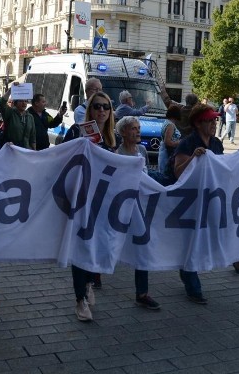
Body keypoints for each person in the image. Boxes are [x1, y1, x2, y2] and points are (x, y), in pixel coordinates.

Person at [173, 103, 239, 301]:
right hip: (187, 200)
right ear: (198, 123)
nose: (215, 123)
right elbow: (178, 172)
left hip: (208, 198)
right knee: (191, 239)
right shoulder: (187, 143)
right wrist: (193, 158)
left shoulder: (216, 144)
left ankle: (191, 269)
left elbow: (221, 168)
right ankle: (192, 282)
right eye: (210, 120)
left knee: (206, 236)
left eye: (215, 119)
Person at [62, 91, 117, 321]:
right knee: (80, 248)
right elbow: (61, 157)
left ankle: (88, 284)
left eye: (106, 107)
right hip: (79, 199)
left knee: (96, 246)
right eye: (97, 106)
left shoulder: (113, 138)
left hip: (102, 202)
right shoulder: (77, 131)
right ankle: (80, 300)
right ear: (89, 109)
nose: (102, 110)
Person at [114, 116, 161, 310]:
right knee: (112, 243)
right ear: (123, 132)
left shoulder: (142, 150)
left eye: (138, 127)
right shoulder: (117, 154)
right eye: (133, 128)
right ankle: (94, 275)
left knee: (142, 248)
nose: (137, 131)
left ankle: (142, 293)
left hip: (141, 208)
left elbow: (148, 176)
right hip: (121, 209)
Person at [0, 83, 36, 150]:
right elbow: (1, 104)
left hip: (25, 151)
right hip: (11, 150)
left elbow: (32, 137)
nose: (24, 103)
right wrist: (10, 90)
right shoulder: (10, 113)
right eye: (21, 101)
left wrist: (33, 152)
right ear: (15, 102)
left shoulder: (30, 117)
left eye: (26, 101)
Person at [157, 104, 182, 175]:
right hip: (168, 153)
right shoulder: (170, 125)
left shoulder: (166, 122)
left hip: (165, 151)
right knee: (166, 172)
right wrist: (179, 142)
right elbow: (167, 142)